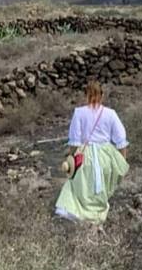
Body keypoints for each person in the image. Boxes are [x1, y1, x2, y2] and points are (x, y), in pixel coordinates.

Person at [55, 81, 130, 223]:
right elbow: (121, 140)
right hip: (106, 156)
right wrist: (122, 162)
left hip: (85, 155)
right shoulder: (110, 114)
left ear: (85, 95)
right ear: (102, 95)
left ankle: (84, 222)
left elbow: (74, 141)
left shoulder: (79, 113)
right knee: (101, 191)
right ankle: (97, 222)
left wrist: (72, 158)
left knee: (79, 190)